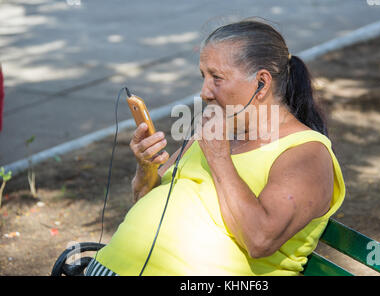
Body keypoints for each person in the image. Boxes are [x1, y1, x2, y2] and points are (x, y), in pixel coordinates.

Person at [85, 19, 345, 276]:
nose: (204, 93)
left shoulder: (307, 153)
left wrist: (220, 159)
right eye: (203, 76)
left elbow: (260, 240)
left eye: (216, 78)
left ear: (262, 83)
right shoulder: (214, 135)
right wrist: (146, 167)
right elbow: (144, 200)